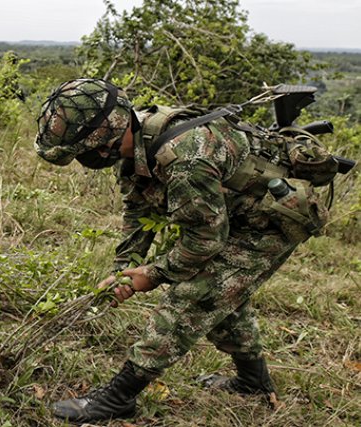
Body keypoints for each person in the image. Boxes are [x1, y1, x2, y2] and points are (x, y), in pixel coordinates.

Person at [34, 78, 335, 423]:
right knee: (224, 303)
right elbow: (139, 209)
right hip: (230, 213)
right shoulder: (137, 139)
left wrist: (152, 274)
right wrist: (123, 269)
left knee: (192, 298)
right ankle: (253, 383)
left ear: (101, 144)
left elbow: (205, 240)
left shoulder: (186, 157)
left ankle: (119, 398)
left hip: (268, 224)